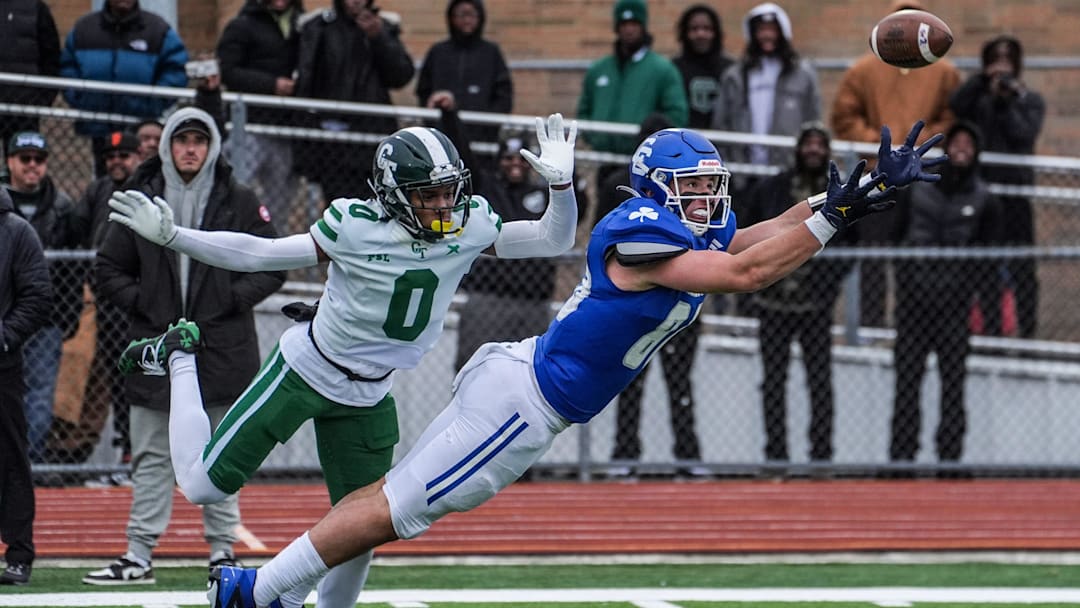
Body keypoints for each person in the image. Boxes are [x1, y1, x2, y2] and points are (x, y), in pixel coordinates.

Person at [201, 120, 945, 608]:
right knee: (397, 506)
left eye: (709, 187)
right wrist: (831, 218)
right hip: (528, 404)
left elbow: (751, 237)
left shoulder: (681, 223)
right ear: (655, 189)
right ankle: (258, 593)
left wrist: (855, 191)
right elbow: (746, 275)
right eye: (693, 189)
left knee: (391, 499)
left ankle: (278, 593)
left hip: (520, 376)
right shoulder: (636, 235)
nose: (709, 200)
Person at [105, 113, 579, 607]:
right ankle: (180, 355)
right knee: (201, 485)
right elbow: (260, 253)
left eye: (448, 191)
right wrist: (175, 236)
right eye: (427, 194)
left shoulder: (471, 222)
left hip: (371, 390)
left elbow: (554, 239)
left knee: (359, 533)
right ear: (393, 194)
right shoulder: (355, 226)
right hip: (307, 369)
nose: (443, 205)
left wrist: (562, 186)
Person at [84, 108, 285, 585]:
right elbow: (107, 268)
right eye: (181, 139)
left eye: (199, 139)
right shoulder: (142, 199)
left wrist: (232, 301)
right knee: (151, 454)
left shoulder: (238, 199)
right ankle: (138, 555)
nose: (190, 148)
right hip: (156, 348)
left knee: (222, 453)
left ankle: (222, 552)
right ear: (167, 145)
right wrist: (147, 306)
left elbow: (273, 264)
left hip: (223, 350)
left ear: (213, 146)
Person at [427, 93, 586, 374]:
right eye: (508, 158)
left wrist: (569, 179)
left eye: (522, 159)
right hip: (488, 298)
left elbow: (574, 217)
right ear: (498, 161)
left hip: (533, 302)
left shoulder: (542, 191)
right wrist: (449, 116)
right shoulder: (486, 187)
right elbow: (463, 153)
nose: (515, 164)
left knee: (528, 378)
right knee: (473, 373)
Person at [830, 0, 960, 328]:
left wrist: (916, 147)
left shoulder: (946, 72)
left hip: (923, 177)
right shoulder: (861, 70)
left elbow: (953, 119)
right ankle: (871, 326)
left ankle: (913, 324)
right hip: (879, 176)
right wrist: (883, 147)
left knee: (917, 252)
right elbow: (843, 117)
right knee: (873, 252)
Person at [592, 113, 705, 478]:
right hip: (638, 300)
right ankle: (625, 453)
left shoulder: (693, 196)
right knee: (629, 382)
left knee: (680, 383)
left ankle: (687, 455)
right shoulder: (621, 193)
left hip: (677, 297)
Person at [888, 121, 1003, 468]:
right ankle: (901, 458)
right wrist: (907, 284)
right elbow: (895, 238)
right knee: (907, 385)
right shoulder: (919, 190)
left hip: (954, 308)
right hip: (913, 306)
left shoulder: (985, 199)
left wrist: (987, 310)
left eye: (970, 142)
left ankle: (950, 459)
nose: (962, 148)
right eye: (957, 141)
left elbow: (989, 262)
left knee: (953, 387)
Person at [739, 122, 852, 464]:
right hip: (773, 302)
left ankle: (822, 458)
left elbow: (852, 245)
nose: (814, 150)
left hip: (815, 305)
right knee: (773, 384)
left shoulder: (841, 193)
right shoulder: (773, 187)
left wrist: (827, 283)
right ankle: (776, 457)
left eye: (821, 144)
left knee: (820, 384)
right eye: (809, 143)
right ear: (798, 148)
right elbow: (751, 231)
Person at [45, 132, 142, 477]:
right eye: (111, 155)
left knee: (132, 377)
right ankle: (86, 450)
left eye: (124, 155)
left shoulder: (147, 188)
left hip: (132, 298)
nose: (116, 161)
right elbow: (75, 229)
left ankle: (134, 452)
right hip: (97, 296)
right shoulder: (97, 190)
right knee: (98, 377)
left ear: (138, 156)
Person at [949, 35, 1045, 338]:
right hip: (981, 196)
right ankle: (989, 334)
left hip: (1015, 195)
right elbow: (956, 106)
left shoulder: (1028, 100)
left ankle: (1028, 335)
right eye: (996, 58)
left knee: (1023, 269)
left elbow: (1023, 135)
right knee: (983, 267)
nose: (1002, 65)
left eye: (1008, 59)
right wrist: (982, 82)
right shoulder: (979, 100)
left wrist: (1006, 103)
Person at [4, 131, 83, 464]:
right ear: (10, 162)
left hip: (45, 316)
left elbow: (74, 268)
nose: (32, 166)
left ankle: (30, 460)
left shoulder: (62, 206)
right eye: (25, 159)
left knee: (39, 394)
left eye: (39, 160)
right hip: (5, 314)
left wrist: (70, 314)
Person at [294, 0, 415, 205]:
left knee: (376, 206)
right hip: (330, 140)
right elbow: (307, 81)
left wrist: (378, 37)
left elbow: (400, 76)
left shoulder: (382, 27)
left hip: (371, 137)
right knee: (338, 208)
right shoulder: (320, 27)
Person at [59, 0, 189, 178]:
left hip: (140, 128)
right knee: (104, 185)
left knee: (145, 183)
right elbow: (67, 68)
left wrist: (151, 105)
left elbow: (175, 71)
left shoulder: (157, 29)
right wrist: (82, 99)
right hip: (99, 126)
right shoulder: (84, 28)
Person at [711, 2, 820, 200]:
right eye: (761, 30)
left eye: (772, 30)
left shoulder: (803, 76)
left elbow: (813, 121)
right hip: (743, 172)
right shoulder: (735, 76)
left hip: (786, 171)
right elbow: (721, 124)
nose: (767, 36)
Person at [0, 188, 53, 586]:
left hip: (2, 368)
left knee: (11, 459)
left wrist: (4, 336)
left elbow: (37, 296)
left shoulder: (17, 231)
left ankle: (19, 552)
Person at [576, 0, 688, 185]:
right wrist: (596, 138)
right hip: (605, 161)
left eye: (634, 24)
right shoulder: (599, 69)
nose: (629, 30)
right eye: (624, 24)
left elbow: (676, 115)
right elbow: (584, 109)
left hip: (645, 166)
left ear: (643, 26)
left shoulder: (662, 70)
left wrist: (651, 145)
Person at [218, 0, 304, 234]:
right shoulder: (242, 25)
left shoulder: (302, 26)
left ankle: (273, 259)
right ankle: (227, 247)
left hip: (285, 130)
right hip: (249, 127)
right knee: (234, 193)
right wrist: (271, 85)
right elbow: (227, 70)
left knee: (279, 208)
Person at [416, 0, 513, 150]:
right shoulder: (439, 52)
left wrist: (489, 125)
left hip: (482, 139)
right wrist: (433, 121)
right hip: (442, 138)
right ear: (452, 17)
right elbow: (424, 90)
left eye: (472, 15)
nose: (467, 20)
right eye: (461, 15)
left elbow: (504, 94)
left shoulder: (490, 53)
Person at [0, 0, 60, 154]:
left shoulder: (36, 9)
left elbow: (51, 57)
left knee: (20, 166)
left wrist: (42, 100)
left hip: (24, 110)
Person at [672, 4, 734, 131]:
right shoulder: (674, 68)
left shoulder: (730, 69)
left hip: (723, 142)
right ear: (685, 33)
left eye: (707, 28)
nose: (700, 34)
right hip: (685, 142)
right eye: (694, 29)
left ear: (716, 33)